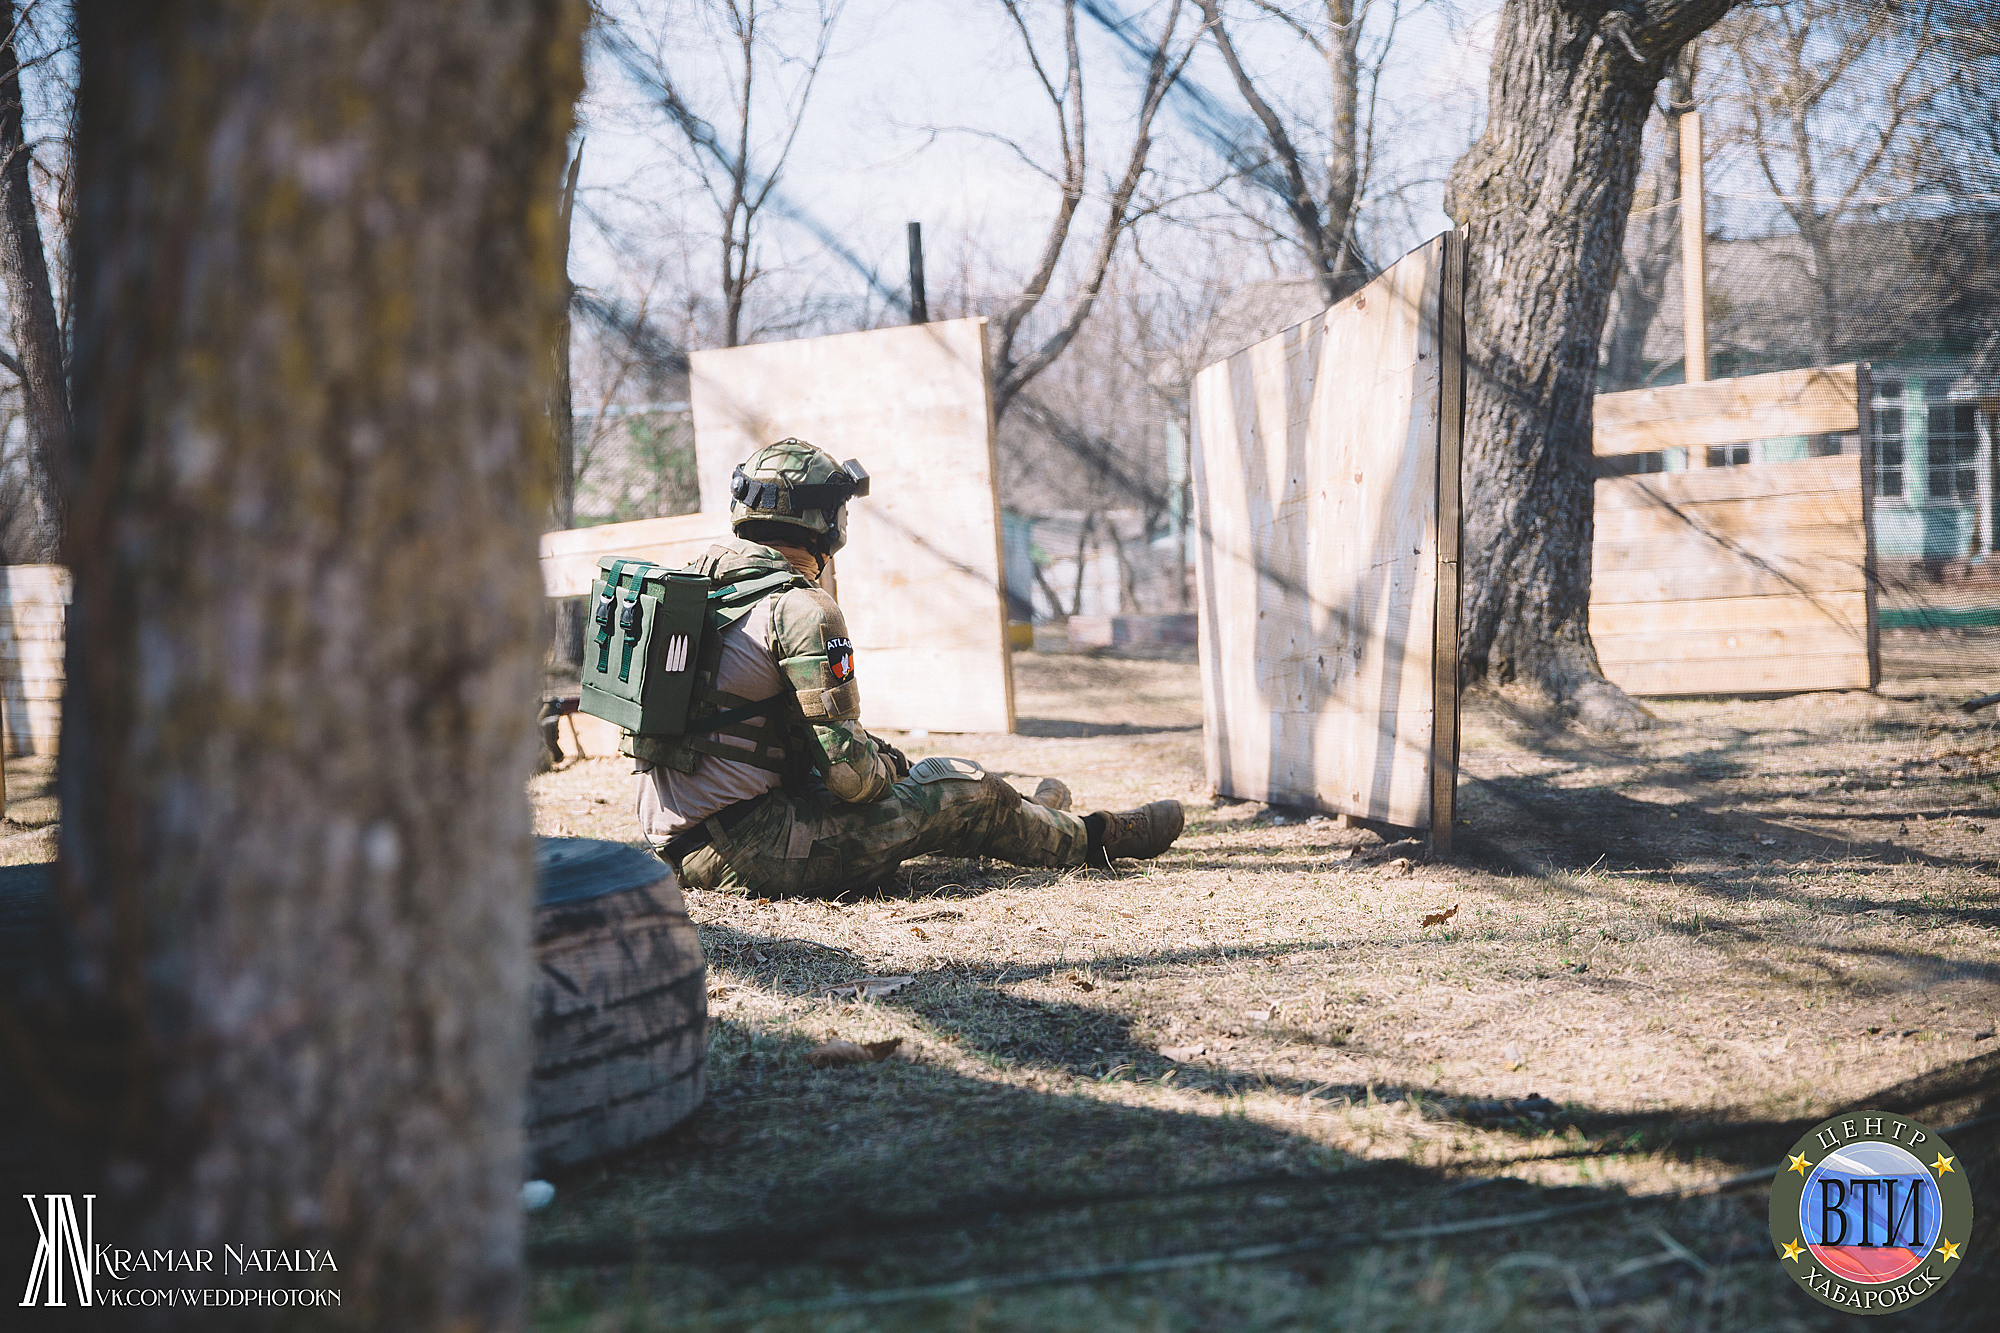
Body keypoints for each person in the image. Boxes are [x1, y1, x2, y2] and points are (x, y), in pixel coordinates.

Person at [632, 437, 1184, 896]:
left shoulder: (696, 586)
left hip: (677, 847)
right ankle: (1094, 838)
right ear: (824, 522)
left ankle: (1029, 818)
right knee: (958, 788)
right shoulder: (801, 608)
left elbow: (751, 723)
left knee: (940, 789)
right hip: (755, 852)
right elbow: (853, 782)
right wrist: (896, 771)